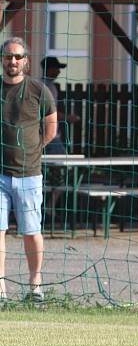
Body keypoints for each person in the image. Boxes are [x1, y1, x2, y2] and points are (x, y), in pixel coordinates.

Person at [0, 38, 58, 301]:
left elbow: (51, 127)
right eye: (8, 56)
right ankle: (0, 288)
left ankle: (35, 286)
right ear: (2, 59)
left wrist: (34, 150)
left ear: (26, 60)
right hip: (0, 174)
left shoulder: (38, 90)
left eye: (18, 56)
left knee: (31, 231)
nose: (13, 61)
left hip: (30, 174)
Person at [40, 55, 79, 223]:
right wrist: (67, 118)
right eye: (56, 68)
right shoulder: (46, 87)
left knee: (54, 173)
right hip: (51, 137)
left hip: (45, 136)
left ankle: (48, 205)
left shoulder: (42, 85)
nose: (58, 71)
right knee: (66, 172)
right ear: (49, 69)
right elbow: (49, 113)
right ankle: (48, 206)